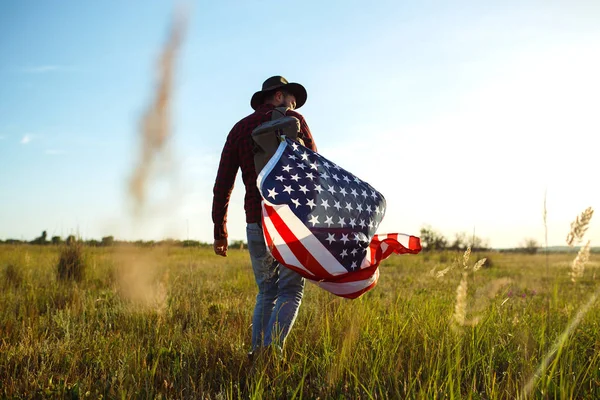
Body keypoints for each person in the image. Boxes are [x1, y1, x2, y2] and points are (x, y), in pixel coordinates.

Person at [211, 76, 317, 357]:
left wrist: (219, 231)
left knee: (266, 291)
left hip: (256, 219)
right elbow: (315, 170)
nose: (293, 106)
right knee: (290, 290)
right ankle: (271, 354)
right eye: (291, 100)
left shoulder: (238, 129)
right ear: (279, 96)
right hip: (290, 220)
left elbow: (223, 184)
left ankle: (255, 354)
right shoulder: (296, 121)